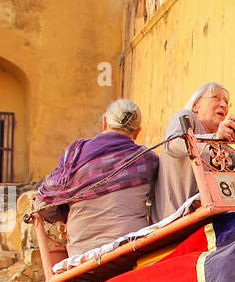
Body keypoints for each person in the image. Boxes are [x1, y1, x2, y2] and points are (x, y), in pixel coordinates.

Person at [34, 100, 158, 258]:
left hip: (82, 255)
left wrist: (65, 214)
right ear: (137, 132)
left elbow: (43, 202)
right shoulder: (147, 160)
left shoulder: (76, 156)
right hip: (131, 248)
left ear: (105, 122)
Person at [153, 82, 235, 220]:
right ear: (196, 106)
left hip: (203, 219)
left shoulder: (218, 141)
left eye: (226, 102)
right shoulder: (186, 117)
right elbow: (172, 144)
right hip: (173, 220)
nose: (223, 105)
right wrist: (214, 138)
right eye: (216, 98)